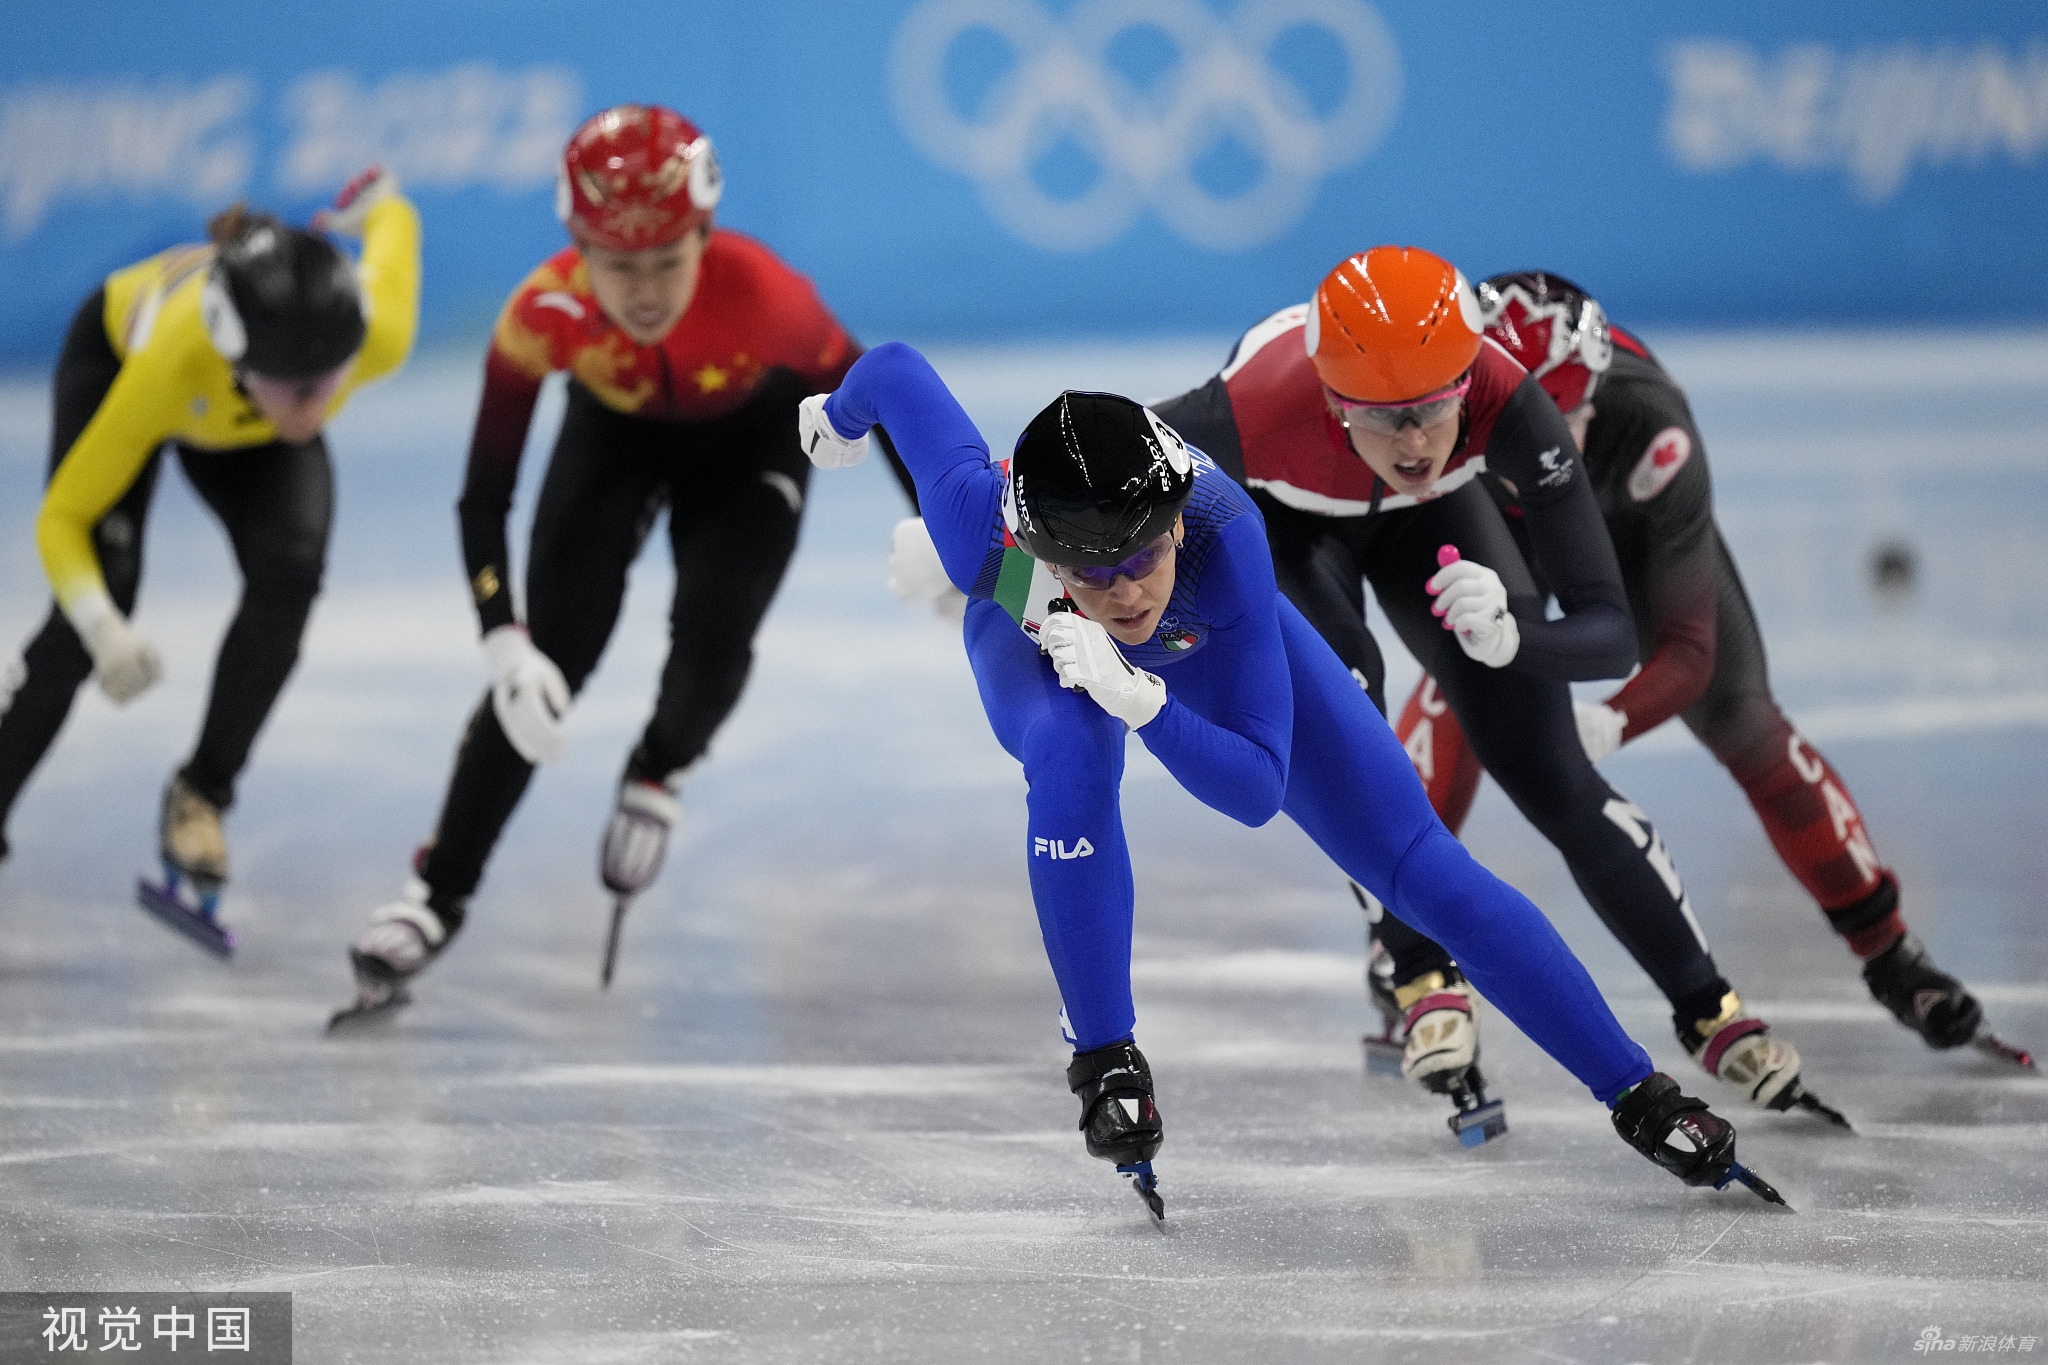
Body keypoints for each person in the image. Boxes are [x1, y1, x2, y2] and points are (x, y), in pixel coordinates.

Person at [797, 341, 1787, 1219]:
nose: (1125, 592)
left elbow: (1253, 788)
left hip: (1210, 639)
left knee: (1419, 867)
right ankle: (1105, 1062)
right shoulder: (981, 526)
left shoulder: (1222, 533)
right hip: (1027, 632)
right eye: (1094, 573)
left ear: (1174, 521)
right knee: (1068, 757)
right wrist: (834, 427)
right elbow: (887, 372)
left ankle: (1636, 1092)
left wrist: (1144, 698)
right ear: (1051, 554)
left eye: (1141, 557)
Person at [1152, 247, 1850, 1126]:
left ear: (1467, 384)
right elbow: (1078, 480)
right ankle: (1413, 966)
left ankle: (1707, 1002)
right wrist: (984, 564)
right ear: (1333, 401)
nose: (1414, 442)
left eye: (1434, 411)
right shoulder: (1244, 409)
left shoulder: (1504, 398)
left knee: (1550, 766)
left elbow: (1610, 631)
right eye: (1386, 418)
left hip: (1434, 524)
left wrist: (1519, 635)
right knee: (1347, 686)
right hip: (1286, 528)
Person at [336, 104, 907, 1019]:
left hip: (752, 437)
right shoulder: (540, 313)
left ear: (704, 237)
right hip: (614, 436)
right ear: (577, 247)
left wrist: (951, 540)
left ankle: (659, 765)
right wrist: (500, 639)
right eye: (617, 265)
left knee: (717, 635)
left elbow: (888, 390)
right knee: (550, 663)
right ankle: (434, 896)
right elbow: (485, 493)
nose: (643, 292)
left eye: (667, 263)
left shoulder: (766, 296)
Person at [1376, 270, 2027, 1067]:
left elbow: (1690, 649)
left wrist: (1611, 717)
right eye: (1535, 414)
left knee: (1743, 720)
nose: (1556, 441)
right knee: (1465, 681)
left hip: (1625, 539)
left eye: (1572, 418)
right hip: (1502, 535)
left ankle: (1891, 950)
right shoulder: (1437, 417)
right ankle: (1401, 943)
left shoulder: (1651, 427)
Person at [0, 168, 419, 943]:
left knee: (292, 570)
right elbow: (63, 517)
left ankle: (201, 792)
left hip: (236, 421)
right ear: (236, 353)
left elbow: (395, 225)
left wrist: (376, 200)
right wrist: (102, 629)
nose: (314, 407)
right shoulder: (170, 364)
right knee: (100, 600)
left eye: (330, 380)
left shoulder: (373, 335)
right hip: (121, 363)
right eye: (293, 386)